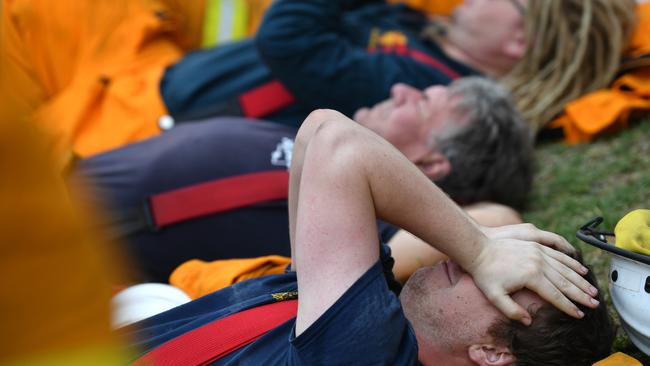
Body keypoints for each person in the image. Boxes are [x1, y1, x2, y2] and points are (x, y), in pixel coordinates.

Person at [128, 109, 612, 365]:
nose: (469, 264)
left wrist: (482, 247)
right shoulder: (371, 315)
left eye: (504, 279)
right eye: (510, 256)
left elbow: (341, 146)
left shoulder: (367, 353)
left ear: (493, 353)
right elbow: (317, 130)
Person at [2, 0, 636, 161]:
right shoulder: (426, 35)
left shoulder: (424, 80)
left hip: (136, 123)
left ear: (517, 41)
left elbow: (291, 40)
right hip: (135, 82)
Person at [72, 77, 532, 282]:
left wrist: (475, 242)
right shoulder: (308, 132)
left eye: (421, 103)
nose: (399, 89)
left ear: (430, 165)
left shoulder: (356, 219)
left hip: (56, 238)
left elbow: (496, 219)